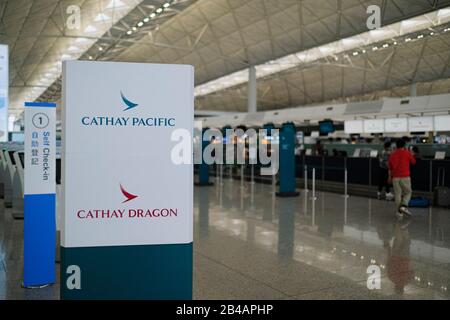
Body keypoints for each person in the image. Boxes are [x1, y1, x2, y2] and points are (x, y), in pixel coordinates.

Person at [388, 139, 416, 218]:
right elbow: (413, 162)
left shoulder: (392, 154)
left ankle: (399, 212)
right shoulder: (407, 153)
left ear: (396, 145)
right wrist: (412, 154)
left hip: (395, 177)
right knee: (408, 192)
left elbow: (390, 167)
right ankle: (403, 206)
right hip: (405, 176)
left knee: (398, 194)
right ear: (404, 145)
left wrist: (389, 176)